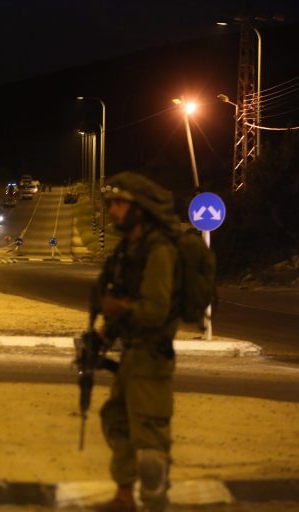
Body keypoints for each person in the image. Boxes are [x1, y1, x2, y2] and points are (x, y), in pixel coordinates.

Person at [93, 171, 182, 512]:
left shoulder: (159, 250)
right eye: (111, 203)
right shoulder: (130, 249)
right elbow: (124, 297)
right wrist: (104, 333)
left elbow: (156, 310)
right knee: (117, 420)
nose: (112, 210)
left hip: (152, 355)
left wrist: (119, 307)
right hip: (131, 355)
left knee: (149, 435)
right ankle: (124, 497)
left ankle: (155, 502)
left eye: (119, 203)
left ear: (139, 208)